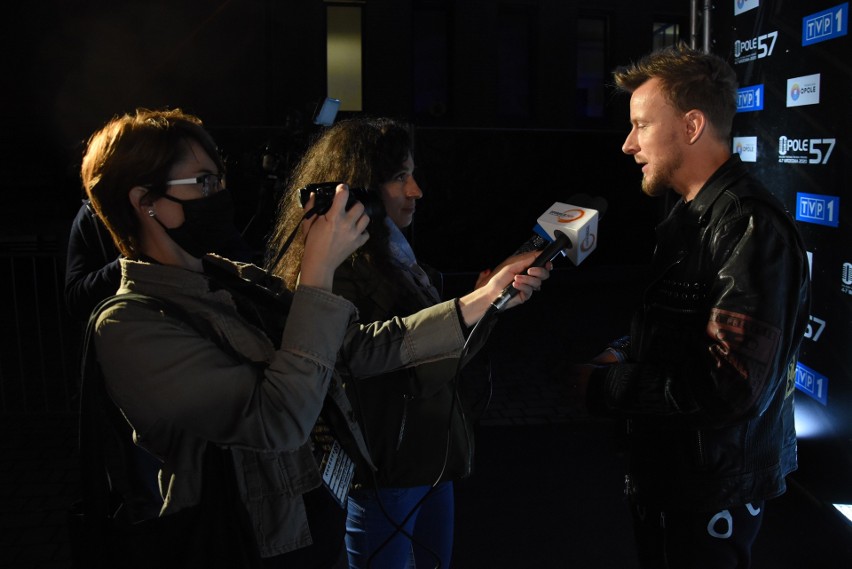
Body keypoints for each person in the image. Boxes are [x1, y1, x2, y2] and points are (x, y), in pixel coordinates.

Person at [83, 107, 549, 568]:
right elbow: (278, 421)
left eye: (220, 179)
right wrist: (318, 271)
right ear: (145, 200)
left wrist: (486, 297)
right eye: (203, 182)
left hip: (307, 519)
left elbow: (359, 348)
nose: (220, 193)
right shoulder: (130, 324)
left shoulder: (231, 280)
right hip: (246, 541)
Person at [568, 44, 810, 569]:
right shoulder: (691, 216)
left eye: (641, 126)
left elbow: (730, 384)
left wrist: (607, 386)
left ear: (692, 124)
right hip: (673, 480)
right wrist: (619, 352)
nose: (628, 145)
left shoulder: (750, 226)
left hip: (709, 492)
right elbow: (679, 330)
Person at [267, 117, 541, 569]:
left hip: (431, 459)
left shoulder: (401, 257)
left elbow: (441, 358)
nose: (415, 190)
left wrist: (489, 304)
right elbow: (357, 353)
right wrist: (476, 303)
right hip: (386, 468)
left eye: (412, 174)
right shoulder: (333, 271)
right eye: (398, 178)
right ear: (356, 189)